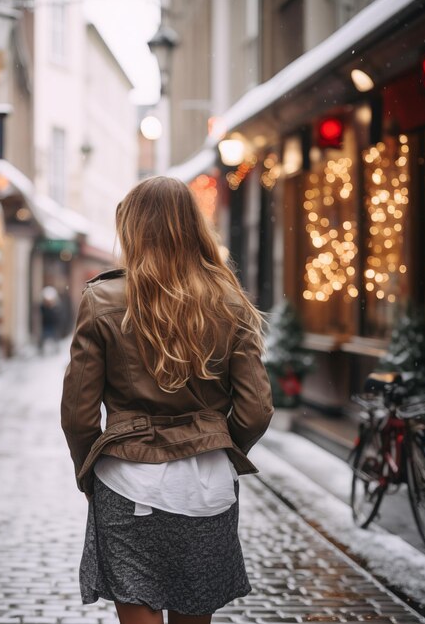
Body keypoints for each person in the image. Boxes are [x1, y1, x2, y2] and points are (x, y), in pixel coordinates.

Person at [61, 176, 274, 624]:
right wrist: (215, 441)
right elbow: (256, 409)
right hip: (206, 484)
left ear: (133, 230)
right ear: (193, 226)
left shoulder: (102, 299)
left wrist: (90, 476)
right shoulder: (229, 300)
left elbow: (78, 414)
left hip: (125, 480)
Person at [39, 286, 61, 354]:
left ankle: (56, 350)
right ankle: (42, 350)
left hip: (53, 327)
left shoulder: (55, 309)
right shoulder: (43, 308)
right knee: (44, 338)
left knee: (55, 339)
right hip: (46, 326)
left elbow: (57, 318)